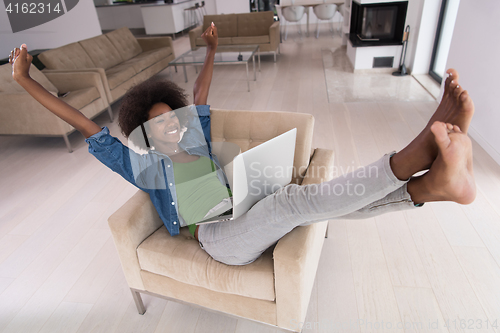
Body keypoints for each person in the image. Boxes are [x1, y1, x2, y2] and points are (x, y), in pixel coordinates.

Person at [9, 24, 476, 266]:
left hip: (243, 207)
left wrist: (212, 49)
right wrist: (27, 82)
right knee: (296, 201)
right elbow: (85, 126)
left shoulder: (194, 135)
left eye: (172, 120)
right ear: (143, 135)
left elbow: (200, 97)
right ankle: (417, 148)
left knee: (314, 204)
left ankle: (430, 187)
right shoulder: (144, 167)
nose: (171, 129)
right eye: (159, 128)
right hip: (217, 239)